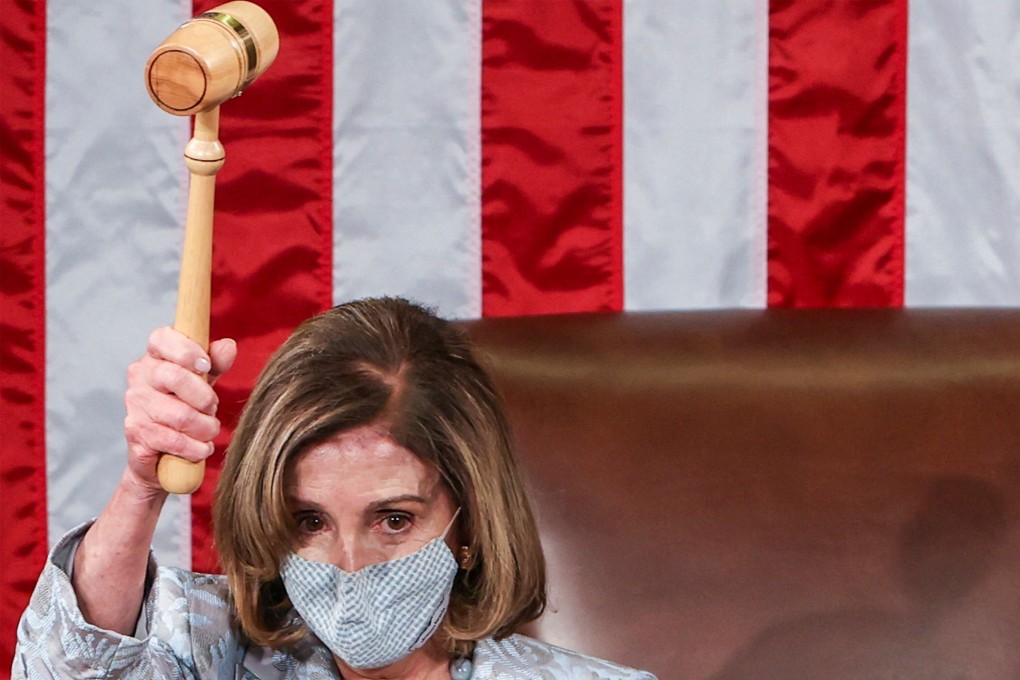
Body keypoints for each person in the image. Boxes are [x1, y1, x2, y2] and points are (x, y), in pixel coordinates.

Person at [13, 297, 658, 679]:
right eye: (311, 523)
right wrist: (141, 485)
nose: (350, 569)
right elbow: (69, 670)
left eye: (394, 521)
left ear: (470, 523)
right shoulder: (208, 652)